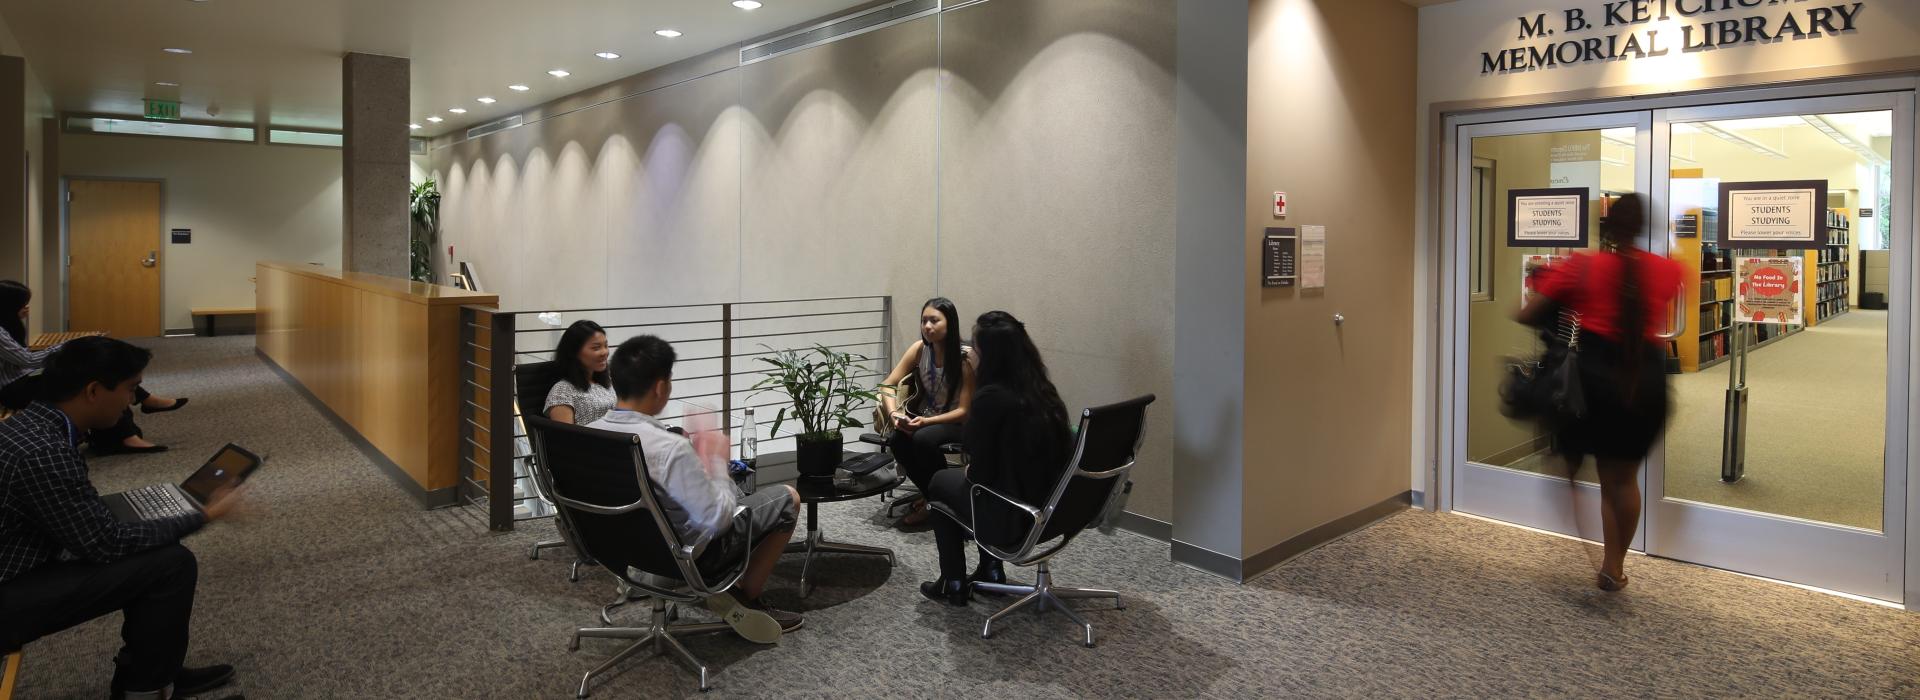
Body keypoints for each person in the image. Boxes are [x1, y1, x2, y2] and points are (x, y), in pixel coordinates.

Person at [0, 336, 244, 699]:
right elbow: (104, 543)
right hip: (8, 591)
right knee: (170, 564)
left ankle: (157, 676)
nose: (132, 401)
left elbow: (74, 515)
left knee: (153, 546)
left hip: (20, 562)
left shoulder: (33, 426)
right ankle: (146, 690)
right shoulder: (46, 451)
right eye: (130, 389)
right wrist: (202, 515)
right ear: (94, 391)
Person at [586, 335, 805, 643]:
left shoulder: (587, 435)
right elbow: (717, 520)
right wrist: (715, 461)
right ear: (661, 387)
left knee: (726, 494)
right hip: (683, 556)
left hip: (619, 551)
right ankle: (746, 597)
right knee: (788, 497)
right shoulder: (668, 447)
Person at [1519, 193, 1681, 592]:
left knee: (1571, 459)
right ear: (1643, 227)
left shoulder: (1582, 266)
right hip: (1644, 382)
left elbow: (1527, 315)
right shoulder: (1670, 271)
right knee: (1623, 479)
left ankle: (1573, 486)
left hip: (1593, 382)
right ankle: (1613, 567)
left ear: (1607, 226)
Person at [920, 311, 1073, 606]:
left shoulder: (991, 398)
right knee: (966, 485)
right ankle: (990, 572)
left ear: (990, 355)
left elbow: (979, 475)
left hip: (1015, 513)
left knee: (941, 482)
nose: (968, 353)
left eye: (974, 348)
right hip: (1054, 508)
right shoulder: (1043, 391)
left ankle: (952, 582)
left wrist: (969, 470)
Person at [0, 281, 185, 454]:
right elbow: (26, 360)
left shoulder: (8, 325)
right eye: (22, 304)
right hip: (13, 387)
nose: (27, 308)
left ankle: (127, 430)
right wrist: (67, 346)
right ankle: (128, 429)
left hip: (25, 378)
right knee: (98, 378)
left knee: (100, 373)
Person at [878, 298, 975, 526]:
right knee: (898, 440)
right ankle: (937, 500)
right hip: (928, 419)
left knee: (922, 438)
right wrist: (894, 415)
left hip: (958, 423)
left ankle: (940, 500)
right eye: (924, 321)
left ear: (950, 324)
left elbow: (964, 411)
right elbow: (887, 384)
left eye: (934, 321)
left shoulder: (965, 358)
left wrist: (924, 423)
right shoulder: (920, 350)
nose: (927, 326)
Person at [544, 320, 614, 425]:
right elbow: (565, 438)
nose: (604, 352)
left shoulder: (606, 381)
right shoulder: (562, 392)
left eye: (605, 346)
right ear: (574, 352)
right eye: (596, 348)